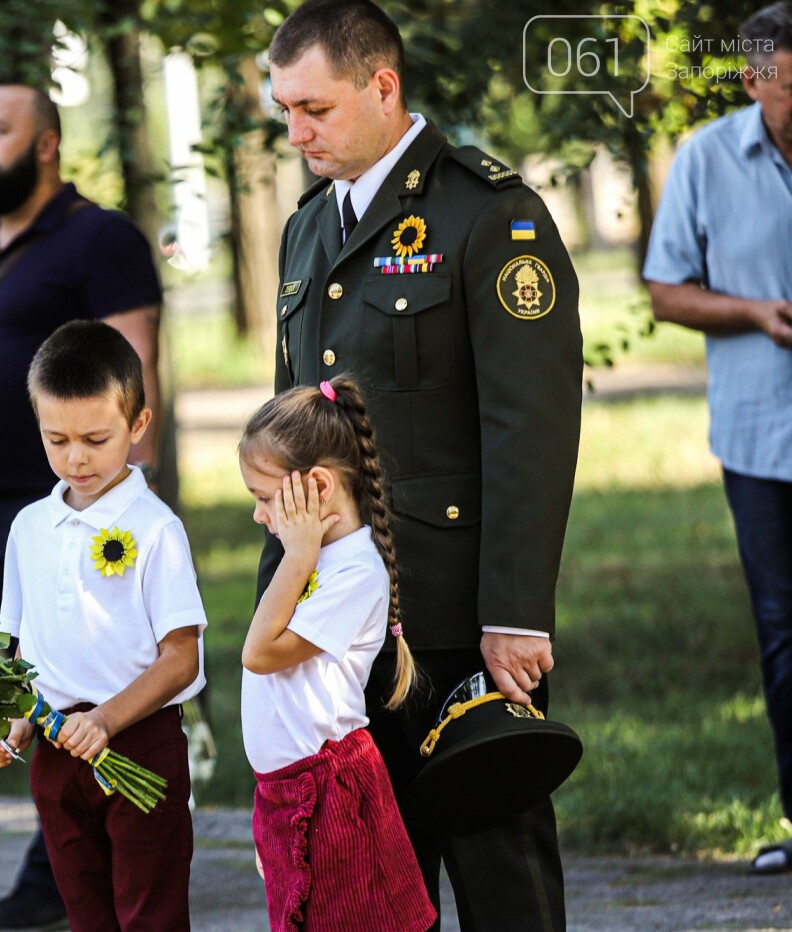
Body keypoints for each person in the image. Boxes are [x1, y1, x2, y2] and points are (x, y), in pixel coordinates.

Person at [263, 1, 583, 926]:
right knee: (372, 889)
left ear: (383, 85)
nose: (297, 131)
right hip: (337, 624)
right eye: (285, 110)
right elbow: (293, 430)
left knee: (502, 882)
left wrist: (515, 614)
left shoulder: (488, 215)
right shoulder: (306, 230)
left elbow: (532, 427)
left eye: (314, 108)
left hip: (454, 620)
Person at [0, 83, 163, 930]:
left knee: (92, 675)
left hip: (77, 513)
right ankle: (63, 852)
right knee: (23, 683)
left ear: (46, 143)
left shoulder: (102, 238)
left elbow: (133, 364)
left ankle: (82, 863)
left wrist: (133, 497)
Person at [0, 320, 204, 931]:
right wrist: (15, 718)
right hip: (58, 753)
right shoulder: (28, 527)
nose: (75, 457)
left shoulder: (155, 528)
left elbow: (182, 657)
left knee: (149, 915)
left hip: (138, 741)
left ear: (137, 426)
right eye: (56, 440)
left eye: (95, 438)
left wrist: (106, 719)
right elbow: (24, 648)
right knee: (87, 916)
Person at [643, 1, 792, 875]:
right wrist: (754, 313)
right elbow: (665, 291)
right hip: (761, 440)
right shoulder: (705, 160)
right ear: (755, 79)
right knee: (782, 635)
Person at [238, 378, 434, 931]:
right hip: (289, 792)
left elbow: (259, 653)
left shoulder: (351, 573)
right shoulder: (317, 561)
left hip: (329, 795)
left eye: (263, 498)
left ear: (318, 487)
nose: (259, 516)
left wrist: (295, 555)